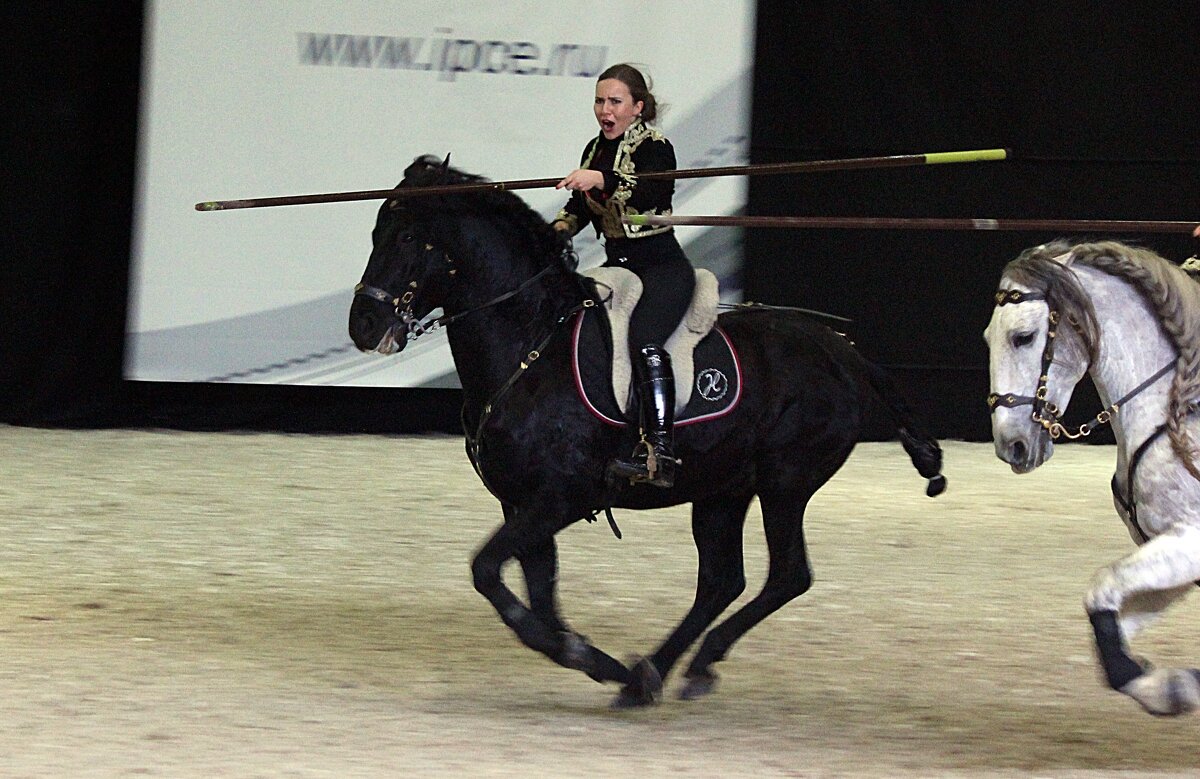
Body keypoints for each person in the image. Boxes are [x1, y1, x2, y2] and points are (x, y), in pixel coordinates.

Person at [553, 63, 695, 489]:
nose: (604, 110)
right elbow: (580, 207)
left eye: (615, 101)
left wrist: (600, 178)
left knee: (645, 342)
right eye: (599, 101)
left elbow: (650, 191)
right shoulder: (593, 148)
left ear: (637, 107)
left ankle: (661, 450)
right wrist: (557, 231)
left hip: (662, 270)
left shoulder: (656, 146)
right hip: (619, 270)